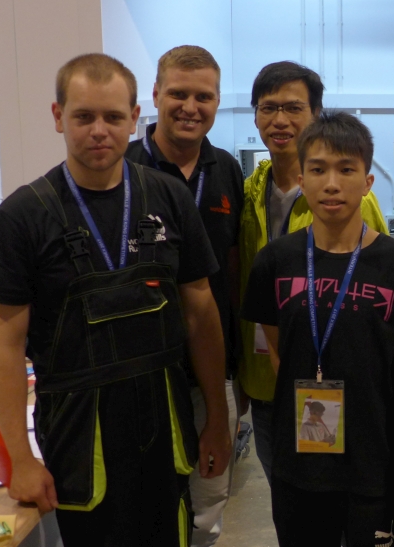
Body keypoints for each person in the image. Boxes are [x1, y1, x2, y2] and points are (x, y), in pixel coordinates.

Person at [0, 53, 232, 547]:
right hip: (78, 429)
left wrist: (218, 422)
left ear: (136, 117)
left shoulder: (169, 197)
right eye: (83, 116)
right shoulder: (23, 214)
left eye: (114, 117)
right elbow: (6, 345)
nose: (99, 130)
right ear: (58, 117)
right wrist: (20, 458)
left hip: (165, 416)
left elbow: (201, 311)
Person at [242, 111, 394, 547]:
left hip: (375, 457)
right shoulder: (274, 261)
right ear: (303, 180)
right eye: (318, 169)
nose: (332, 183)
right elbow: (277, 352)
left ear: (367, 181)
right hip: (300, 460)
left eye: (347, 170)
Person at [238, 61, 388, 485]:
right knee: (293, 507)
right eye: (268, 108)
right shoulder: (249, 189)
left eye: (293, 108)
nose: (279, 120)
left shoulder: (349, 199)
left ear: (316, 114)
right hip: (267, 384)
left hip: (340, 387)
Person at [125, 45, 243, 547]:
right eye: (178, 93)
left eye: (204, 96)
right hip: (140, 374)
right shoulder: (123, 168)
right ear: (155, 95)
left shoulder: (227, 171)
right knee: (143, 502)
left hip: (212, 373)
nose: (190, 106)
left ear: (217, 102)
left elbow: (233, 269)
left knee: (209, 497)